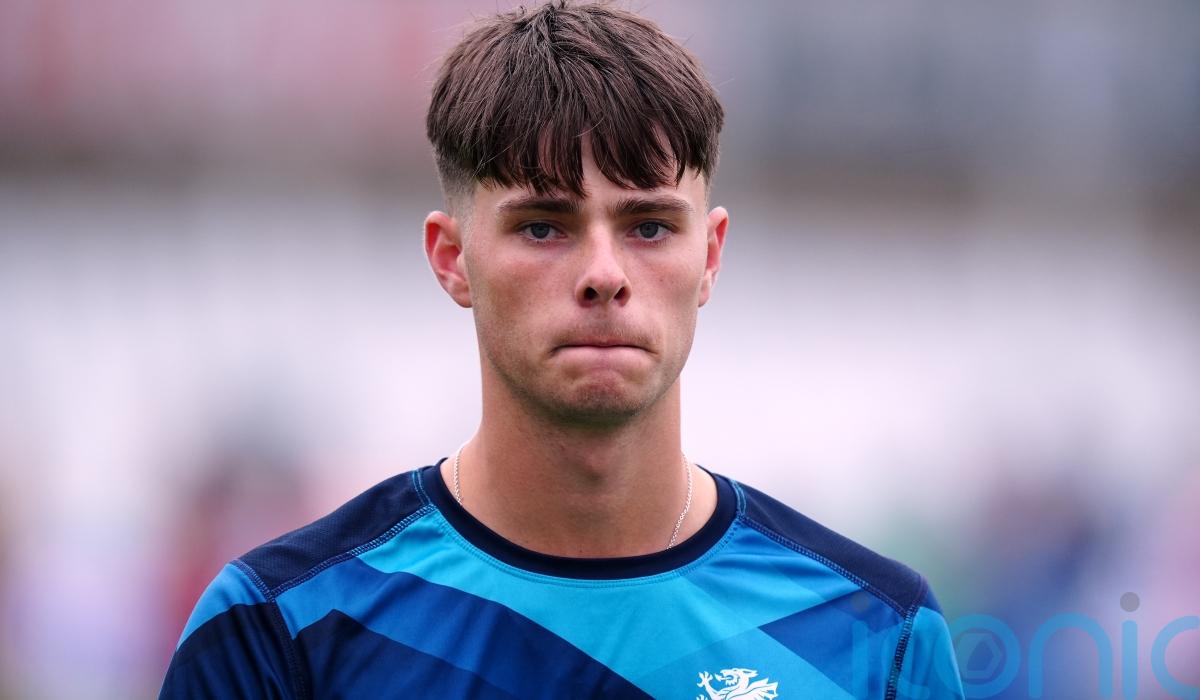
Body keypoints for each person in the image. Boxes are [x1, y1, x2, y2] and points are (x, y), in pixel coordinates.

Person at [160, 2, 964, 697]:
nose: (604, 274)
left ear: (710, 257)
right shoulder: (280, 629)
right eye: (543, 226)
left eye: (650, 226)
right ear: (452, 258)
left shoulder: (877, 637)